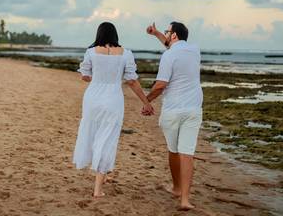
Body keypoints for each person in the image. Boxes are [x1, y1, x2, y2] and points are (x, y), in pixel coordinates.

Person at [73, 22, 154, 198]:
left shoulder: (91, 52)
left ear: (99, 34)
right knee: (108, 139)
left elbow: (85, 76)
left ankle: (102, 174)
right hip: (113, 99)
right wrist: (146, 102)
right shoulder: (126, 54)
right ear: (115, 35)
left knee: (93, 134)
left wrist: (97, 76)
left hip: (92, 98)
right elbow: (132, 81)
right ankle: (97, 189)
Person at [143, 21, 203, 211]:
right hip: (193, 110)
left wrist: (147, 101)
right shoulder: (195, 50)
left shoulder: (168, 56)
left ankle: (177, 188)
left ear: (174, 35)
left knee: (174, 150)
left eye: (168, 32)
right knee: (187, 153)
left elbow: (161, 85)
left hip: (173, 110)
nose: (166, 35)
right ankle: (185, 199)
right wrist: (157, 33)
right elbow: (171, 44)